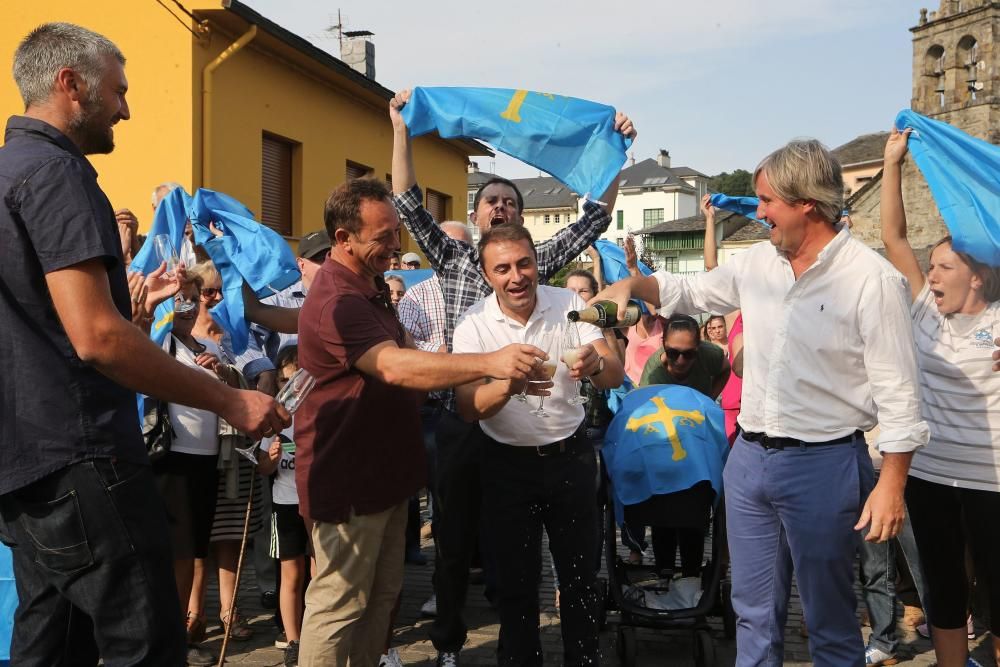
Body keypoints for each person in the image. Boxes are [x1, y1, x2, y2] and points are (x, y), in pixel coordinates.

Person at [0, 23, 288, 666]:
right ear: (70, 86)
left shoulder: (8, 171)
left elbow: (47, 324)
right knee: (147, 645)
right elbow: (96, 338)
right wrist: (231, 402)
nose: (126, 108)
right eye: (118, 91)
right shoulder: (56, 173)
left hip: (24, 462)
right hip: (81, 454)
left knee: (50, 647)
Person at [590, 138, 929, 665]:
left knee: (830, 620)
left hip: (825, 463)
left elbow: (902, 396)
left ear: (806, 205)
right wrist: (631, 283)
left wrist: (892, 485)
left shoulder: (872, 280)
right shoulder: (759, 263)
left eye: (767, 201)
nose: (759, 212)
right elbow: (692, 292)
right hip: (748, 461)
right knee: (752, 613)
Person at [390, 88, 636, 667]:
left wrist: (614, 149)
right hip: (466, 415)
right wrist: (401, 128)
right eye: (489, 201)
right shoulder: (454, 261)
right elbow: (406, 203)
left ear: (524, 229)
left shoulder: (546, 276)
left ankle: (548, 644)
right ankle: (449, 643)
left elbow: (594, 220)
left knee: (531, 566)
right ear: (476, 223)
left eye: (508, 202)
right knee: (454, 539)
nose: (498, 207)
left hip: (550, 443)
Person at [294, 177, 547, 665]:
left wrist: (500, 379)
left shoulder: (367, 287)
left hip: (387, 479)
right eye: (383, 236)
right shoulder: (338, 302)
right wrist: (491, 361)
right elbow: (394, 365)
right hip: (349, 484)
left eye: (396, 233)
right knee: (338, 606)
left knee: (381, 600)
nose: (396, 246)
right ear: (343, 240)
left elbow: (415, 352)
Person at [453, 224, 625, 665]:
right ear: (488, 274)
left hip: (570, 459)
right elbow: (470, 408)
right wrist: (511, 384)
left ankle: (583, 659)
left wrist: (594, 360)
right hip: (505, 465)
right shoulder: (473, 323)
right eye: (503, 268)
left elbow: (613, 375)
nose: (517, 276)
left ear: (537, 262)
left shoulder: (567, 303)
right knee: (515, 583)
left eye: (524, 263)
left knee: (581, 578)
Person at [881, 126, 1000, 667]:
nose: (931, 277)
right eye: (931, 268)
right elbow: (894, 238)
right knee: (944, 585)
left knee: (998, 592)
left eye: (944, 268)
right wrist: (892, 164)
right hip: (930, 474)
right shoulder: (925, 306)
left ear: (977, 279)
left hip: (990, 480)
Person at [154, 276, 242, 665]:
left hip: (208, 456)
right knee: (175, 552)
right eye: (180, 299)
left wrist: (223, 374)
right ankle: (169, 637)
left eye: (192, 299)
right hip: (172, 455)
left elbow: (238, 387)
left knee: (193, 552)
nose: (187, 306)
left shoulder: (207, 346)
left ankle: (180, 633)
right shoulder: (160, 344)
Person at [262, 345, 310, 667]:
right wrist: (271, 458)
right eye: (284, 382)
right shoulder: (274, 419)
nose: (290, 390)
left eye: (297, 383)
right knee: (291, 574)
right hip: (285, 501)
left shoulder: (317, 414)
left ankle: (316, 634)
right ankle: (293, 640)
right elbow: (263, 468)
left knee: (319, 572)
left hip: (316, 504)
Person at [237, 228, 329, 396]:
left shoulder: (346, 300)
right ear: (301, 264)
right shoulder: (278, 301)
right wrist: (263, 369)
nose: (326, 265)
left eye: (330, 258)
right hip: (292, 399)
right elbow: (241, 336)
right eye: (319, 260)